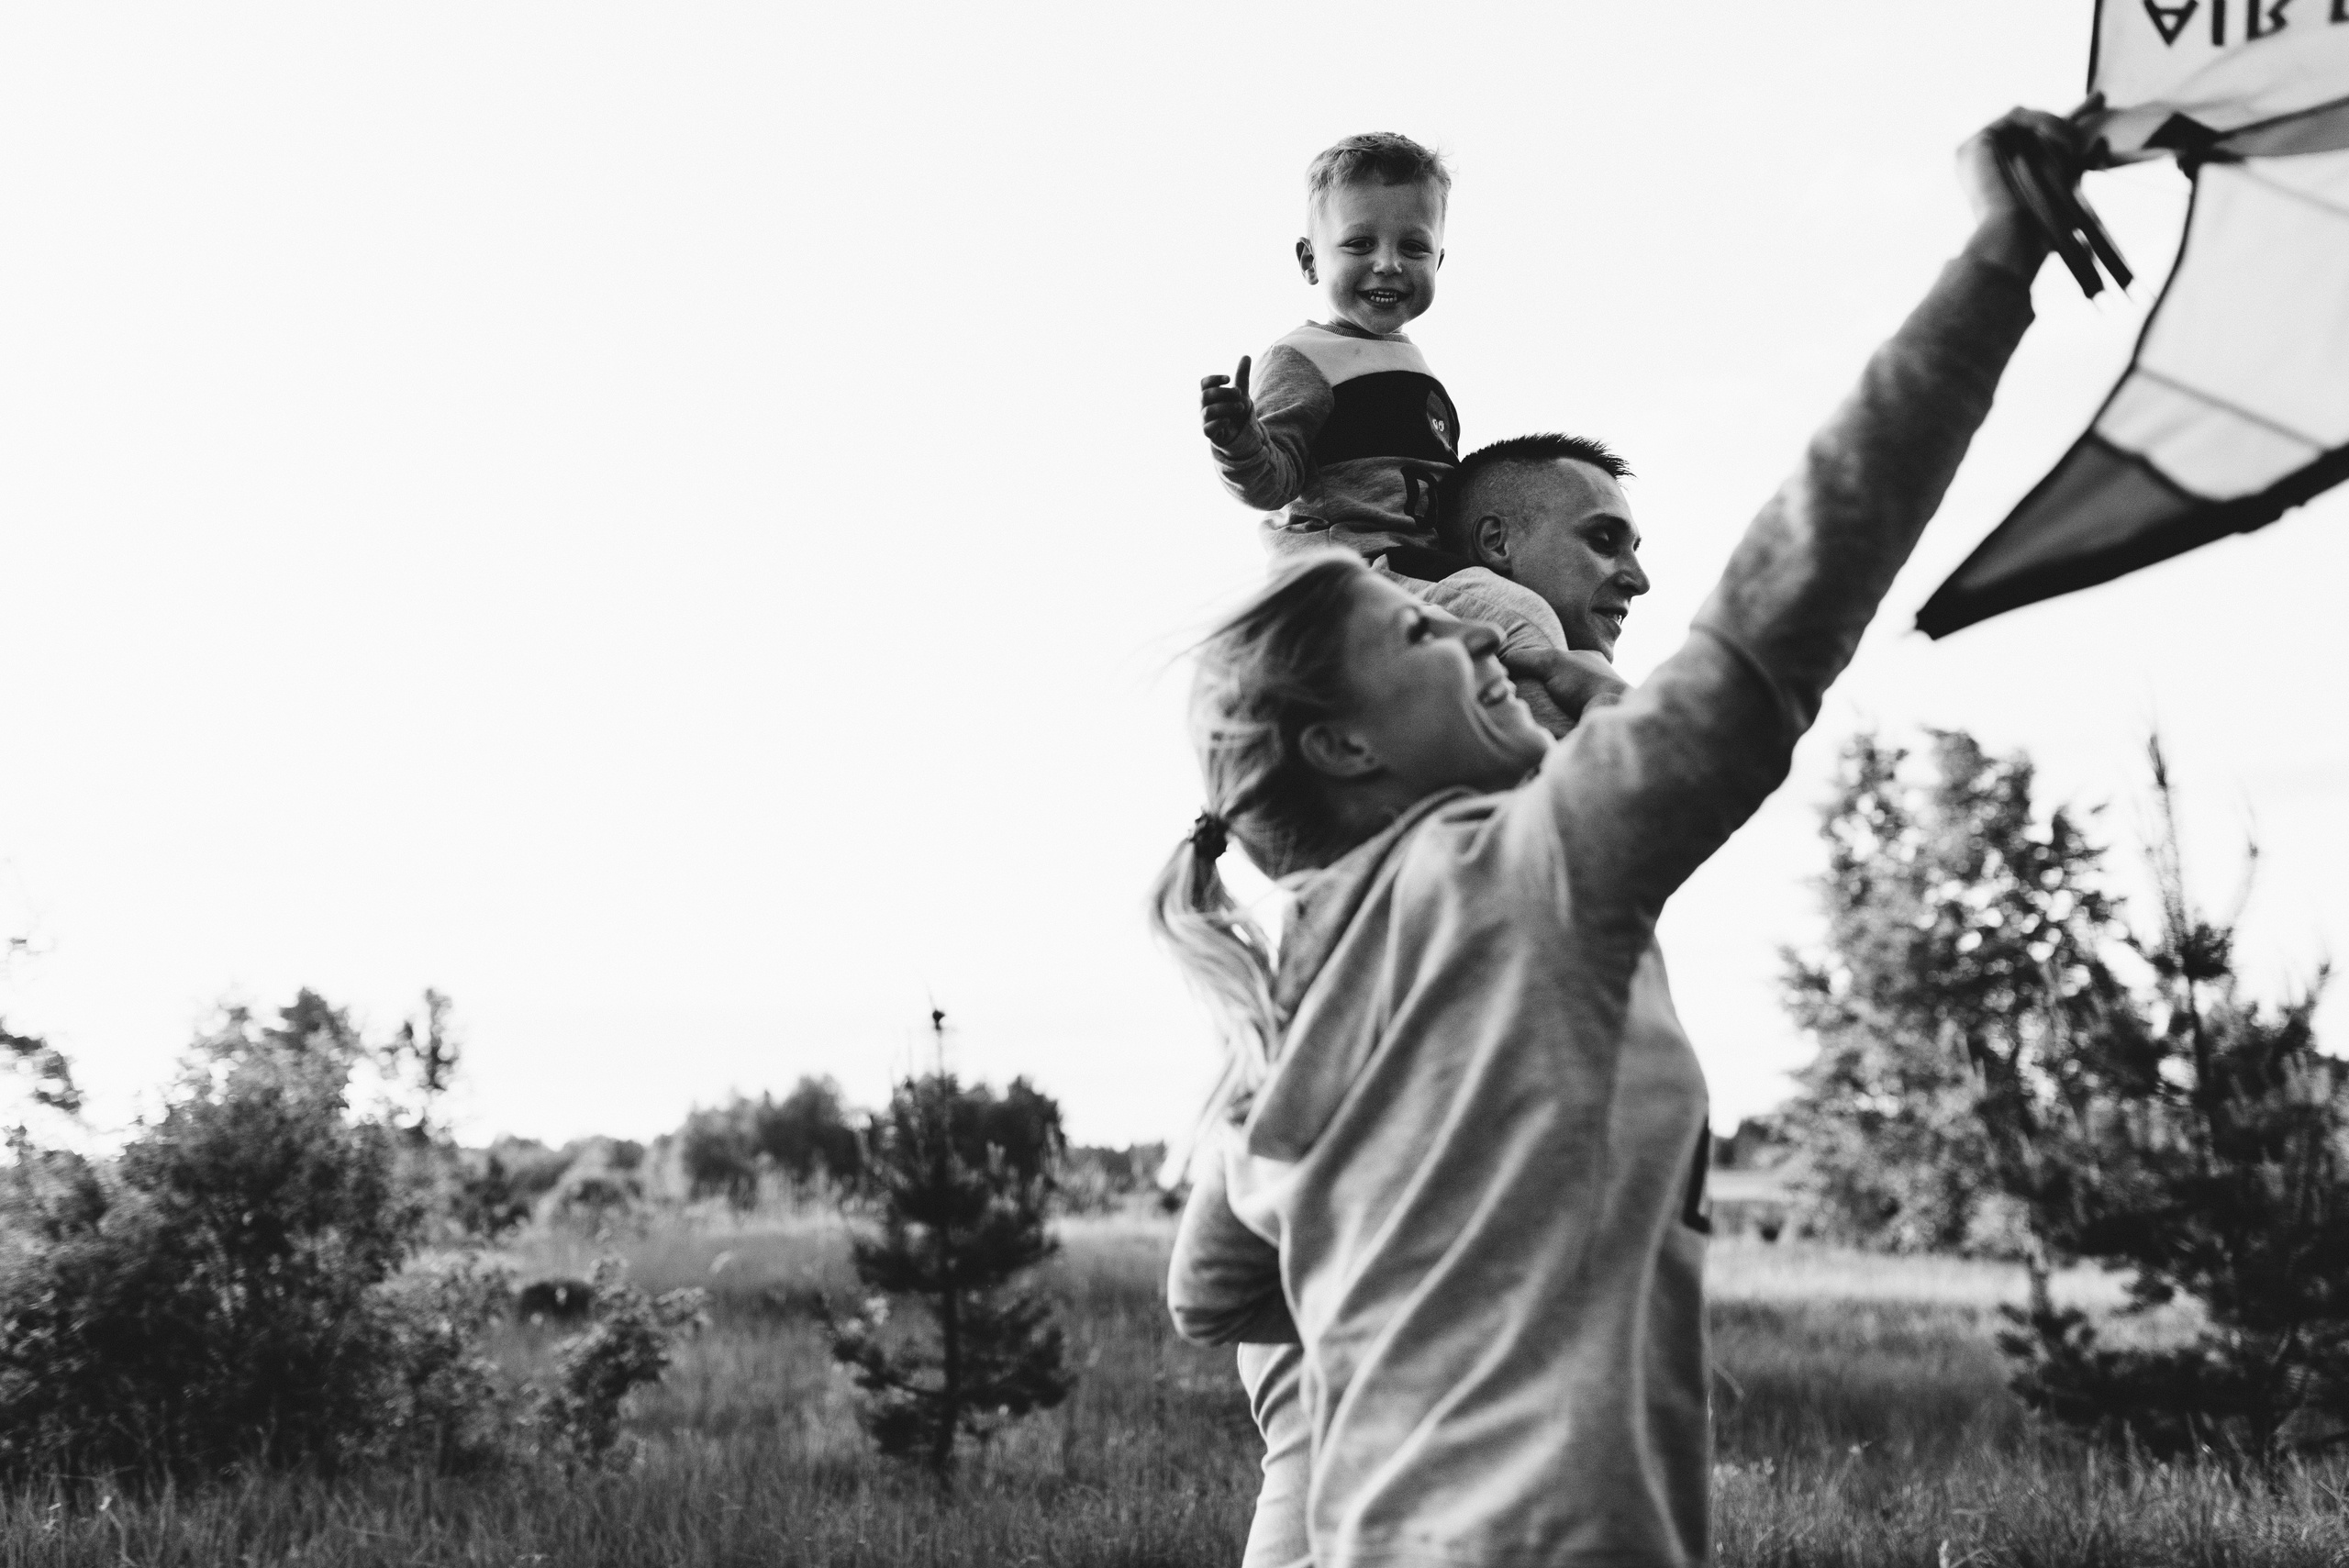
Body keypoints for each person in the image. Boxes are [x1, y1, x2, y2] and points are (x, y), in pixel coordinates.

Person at [1152, 109, 2077, 1568]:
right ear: (1348, 743)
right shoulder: (1535, 874)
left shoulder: (1309, 1000)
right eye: (1423, 631)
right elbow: (1783, 612)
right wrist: (1994, 260)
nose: (1480, 640)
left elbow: (1212, 1292)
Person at [1200, 132, 1463, 561]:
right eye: (1360, 244)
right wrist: (1240, 443)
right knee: (1522, 617)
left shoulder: (1418, 370)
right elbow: (1272, 484)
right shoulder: (1306, 357)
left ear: (1438, 261)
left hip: (1422, 568)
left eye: (1414, 247)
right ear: (1310, 261)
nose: (1389, 263)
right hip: (1347, 572)